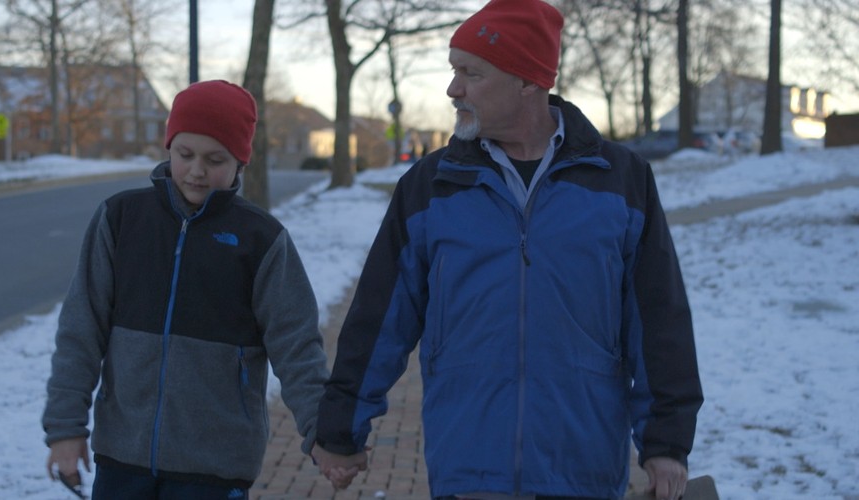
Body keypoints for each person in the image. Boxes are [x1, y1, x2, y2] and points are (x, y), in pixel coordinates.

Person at [312, 1, 703, 499]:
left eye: (471, 74)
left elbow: (659, 320)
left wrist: (666, 443)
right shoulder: (431, 186)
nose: (453, 89)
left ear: (527, 82)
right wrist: (341, 429)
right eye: (454, 71)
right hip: (468, 467)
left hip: (581, 469)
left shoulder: (621, 181)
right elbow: (379, 317)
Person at [42, 80, 329, 499]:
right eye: (185, 154)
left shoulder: (261, 239)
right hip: (123, 456)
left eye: (215, 159)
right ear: (169, 148)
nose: (196, 170)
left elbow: (296, 344)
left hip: (215, 466)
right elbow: (80, 329)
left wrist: (323, 431)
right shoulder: (121, 218)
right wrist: (65, 428)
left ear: (240, 161)